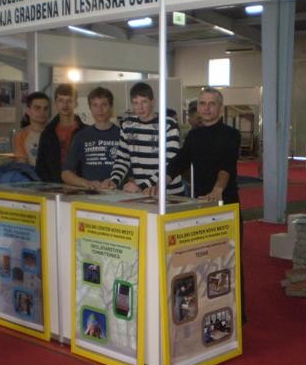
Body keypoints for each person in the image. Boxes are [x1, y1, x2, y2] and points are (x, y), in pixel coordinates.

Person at [144, 86, 247, 322]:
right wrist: (160, 183)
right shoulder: (193, 136)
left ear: (220, 108)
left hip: (227, 206)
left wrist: (218, 190)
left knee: (230, 261)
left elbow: (226, 166)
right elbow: (179, 162)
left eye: (212, 104)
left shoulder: (231, 135)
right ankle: (206, 311)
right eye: (202, 103)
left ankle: (237, 316)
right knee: (203, 261)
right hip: (200, 208)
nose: (206, 108)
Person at [106, 82, 183, 194]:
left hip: (169, 192)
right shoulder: (127, 125)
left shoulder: (168, 124)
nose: (140, 107)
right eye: (135, 103)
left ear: (153, 101)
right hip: (142, 192)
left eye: (144, 102)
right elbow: (122, 159)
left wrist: (143, 185)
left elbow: (171, 163)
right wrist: (114, 180)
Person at [61, 87, 120, 189]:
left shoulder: (122, 135)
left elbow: (133, 173)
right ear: (90, 108)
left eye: (104, 105)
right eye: (95, 105)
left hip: (118, 193)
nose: (99, 110)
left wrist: (116, 181)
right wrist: (86, 183)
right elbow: (66, 173)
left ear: (111, 107)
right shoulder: (82, 136)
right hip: (91, 193)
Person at [35, 83, 85, 183]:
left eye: (69, 101)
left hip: (81, 185)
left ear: (76, 103)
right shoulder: (47, 133)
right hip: (54, 186)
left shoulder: (86, 132)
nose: (65, 105)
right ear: (55, 104)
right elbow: (41, 166)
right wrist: (51, 186)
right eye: (61, 100)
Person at [13, 92, 50, 166]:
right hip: (30, 172)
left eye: (45, 108)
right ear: (28, 111)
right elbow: (22, 165)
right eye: (37, 108)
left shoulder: (56, 132)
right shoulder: (21, 135)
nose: (42, 112)